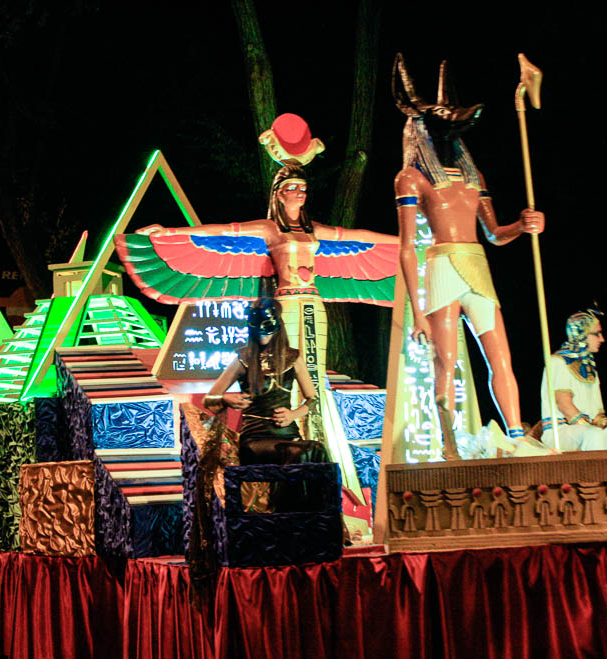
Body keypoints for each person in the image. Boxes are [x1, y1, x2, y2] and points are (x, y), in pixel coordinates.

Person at [117, 116, 399, 503]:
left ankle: (323, 458)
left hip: (313, 305)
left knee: (313, 374)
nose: (299, 193)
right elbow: (221, 231)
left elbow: (361, 237)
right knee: (284, 362)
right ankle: (297, 461)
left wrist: (405, 241)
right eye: (291, 188)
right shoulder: (270, 230)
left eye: (303, 188)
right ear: (278, 193)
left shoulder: (314, 230)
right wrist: (170, 233)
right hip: (286, 303)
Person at [392, 54, 545, 459]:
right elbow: (407, 246)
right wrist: (418, 312)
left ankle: (515, 434)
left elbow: (493, 234)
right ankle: (448, 445)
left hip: (477, 265)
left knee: (501, 357)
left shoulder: (474, 177)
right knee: (446, 362)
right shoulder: (411, 178)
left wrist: (523, 225)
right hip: (442, 265)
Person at [203, 297, 327, 472]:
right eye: (257, 327)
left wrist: (293, 414)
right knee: (298, 452)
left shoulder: (293, 358)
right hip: (255, 438)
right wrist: (227, 400)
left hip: (288, 435)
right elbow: (209, 399)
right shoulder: (243, 359)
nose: (262, 333)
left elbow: (313, 399)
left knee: (316, 451)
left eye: (266, 327)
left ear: (277, 326)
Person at [540, 311, 607, 451]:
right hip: (560, 432)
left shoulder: (590, 368)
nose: (602, 339)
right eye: (597, 334)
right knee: (593, 435)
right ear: (581, 334)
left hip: (587, 428)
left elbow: (596, 416)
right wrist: (594, 428)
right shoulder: (557, 362)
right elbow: (565, 406)